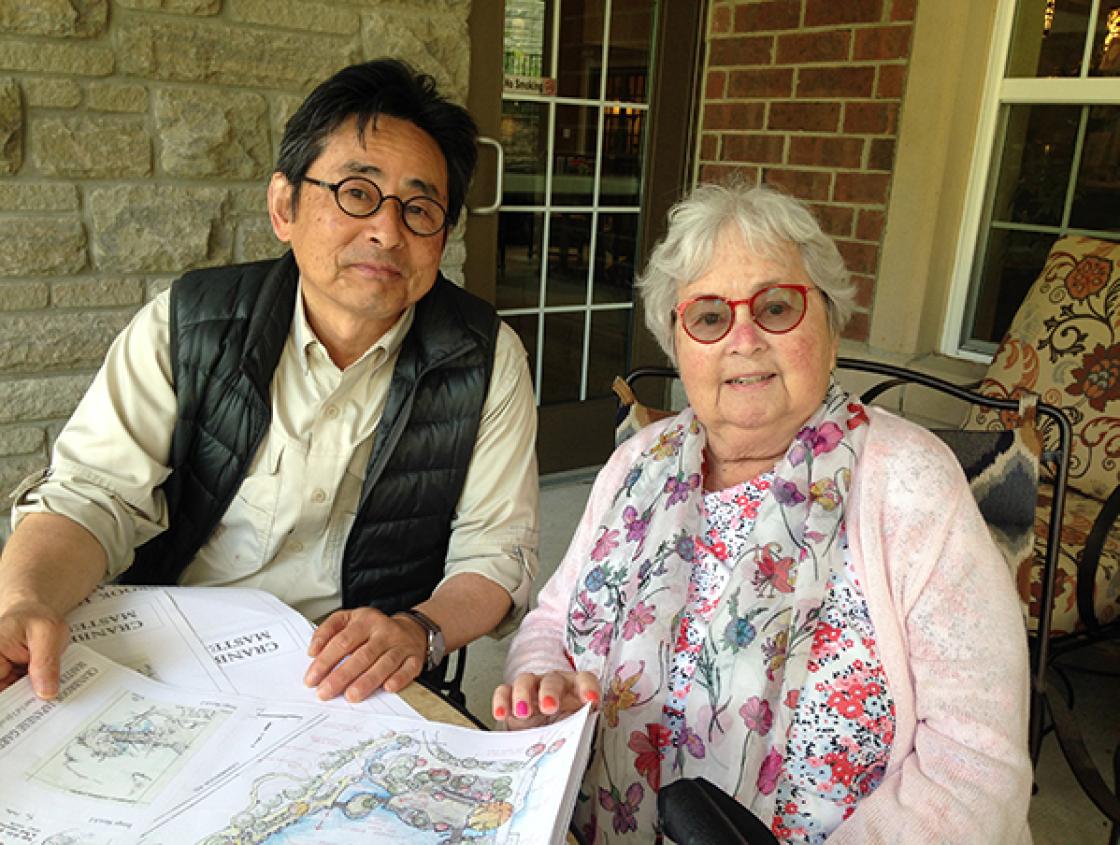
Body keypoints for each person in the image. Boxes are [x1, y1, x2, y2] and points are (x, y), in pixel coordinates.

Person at [493, 182, 1032, 843]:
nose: (743, 338)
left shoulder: (911, 483)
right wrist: (538, 689)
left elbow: (976, 766)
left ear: (831, 326)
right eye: (711, 318)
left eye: (776, 306)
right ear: (678, 343)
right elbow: (550, 622)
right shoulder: (637, 464)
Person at [0, 58, 539, 706]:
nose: (387, 231)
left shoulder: (484, 357)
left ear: (443, 235)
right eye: (357, 193)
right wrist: (26, 600)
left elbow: (496, 551)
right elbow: (93, 496)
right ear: (284, 206)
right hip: (178, 662)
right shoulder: (191, 323)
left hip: (355, 683)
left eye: (419, 208)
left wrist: (418, 630)